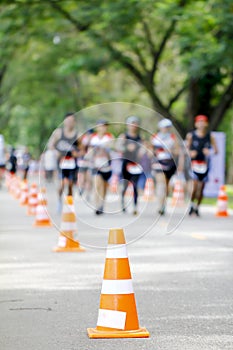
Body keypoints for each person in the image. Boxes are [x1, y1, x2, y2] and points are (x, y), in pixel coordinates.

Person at [48, 112, 82, 212]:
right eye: (67, 121)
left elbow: (82, 149)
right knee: (62, 184)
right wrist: (55, 152)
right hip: (61, 162)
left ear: (74, 122)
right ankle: (59, 201)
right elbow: (51, 145)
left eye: (71, 121)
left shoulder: (78, 135)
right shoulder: (58, 133)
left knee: (71, 184)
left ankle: (69, 204)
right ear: (64, 122)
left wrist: (78, 154)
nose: (69, 123)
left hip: (72, 162)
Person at [185, 114, 218, 216]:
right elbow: (185, 150)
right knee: (194, 187)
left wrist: (210, 152)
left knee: (201, 188)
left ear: (206, 124)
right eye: (199, 122)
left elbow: (216, 151)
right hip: (194, 164)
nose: (201, 124)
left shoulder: (210, 136)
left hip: (205, 165)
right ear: (196, 124)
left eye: (203, 122)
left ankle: (197, 207)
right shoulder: (191, 136)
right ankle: (191, 205)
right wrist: (190, 153)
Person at [151, 118, 183, 215]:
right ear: (160, 127)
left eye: (168, 127)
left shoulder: (173, 137)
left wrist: (170, 150)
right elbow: (150, 151)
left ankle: (163, 204)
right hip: (158, 163)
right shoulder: (155, 137)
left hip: (169, 163)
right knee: (161, 184)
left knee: (166, 186)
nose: (166, 129)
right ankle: (160, 206)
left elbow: (178, 152)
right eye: (164, 127)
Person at [118, 116, 144, 215]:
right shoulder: (124, 136)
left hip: (136, 164)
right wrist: (126, 147)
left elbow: (143, 148)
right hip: (126, 163)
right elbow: (118, 147)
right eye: (131, 123)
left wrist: (141, 152)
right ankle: (123, 203)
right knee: (125, 184)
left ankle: (135, 206)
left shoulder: (139, 138)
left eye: (135, 123)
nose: (133, 126)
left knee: (135, 185)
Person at [88, 120, 114, 215]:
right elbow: (89, 151)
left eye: (105, 126)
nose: (103, 128)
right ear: (97, 127)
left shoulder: (109, 137)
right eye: (101, 126)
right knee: (97, 184)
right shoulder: (92, 138)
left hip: (106, 165)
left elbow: (112, 147)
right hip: (95, 165)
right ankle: (97, 206)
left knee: (103, 186)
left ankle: (102, 204)